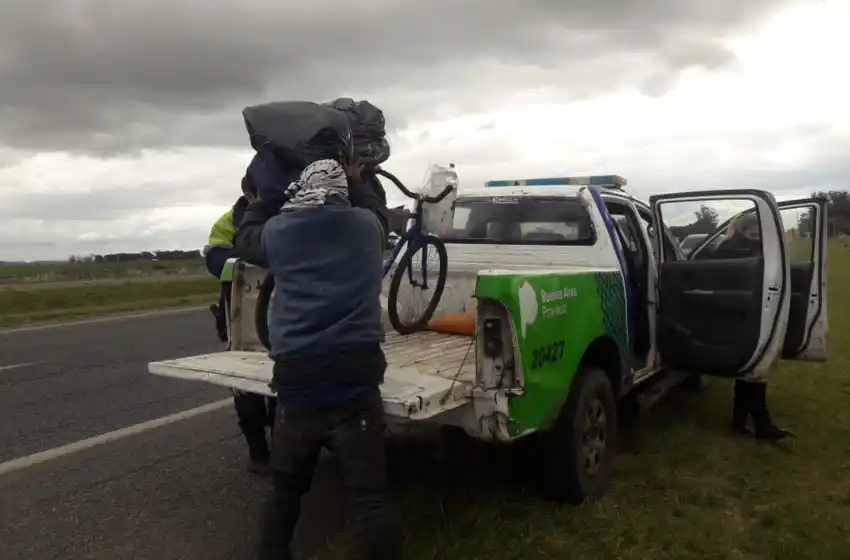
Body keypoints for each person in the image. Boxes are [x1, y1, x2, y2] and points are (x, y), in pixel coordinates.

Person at [236, 142, 406, 559]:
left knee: (285, 491)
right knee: (369, 496)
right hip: (355, 375)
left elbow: (245, 240)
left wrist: (258, 203)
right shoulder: (367, 229)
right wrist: (359, 179)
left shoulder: (280, 233)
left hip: (299, 381)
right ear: (342, 190)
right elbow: (380, 214)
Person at [204, 179, 278, 474]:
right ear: (249, 194)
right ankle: (258, 452)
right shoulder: (229, 222)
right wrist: (248, 262)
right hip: (239, 312)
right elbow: (214, 259)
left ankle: (283, 445)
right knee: (245, 385)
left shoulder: (282, 213)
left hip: (279, 310)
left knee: (280, 385)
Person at [714, 213, 793, 440]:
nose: (758, 237)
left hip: (741, 312)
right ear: (747, 230)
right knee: (757, 366)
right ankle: (762, 423)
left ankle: (739, 419)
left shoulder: (726, 247)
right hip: (751, 312)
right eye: (755, 232)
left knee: (750, 366)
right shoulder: (750, 248)